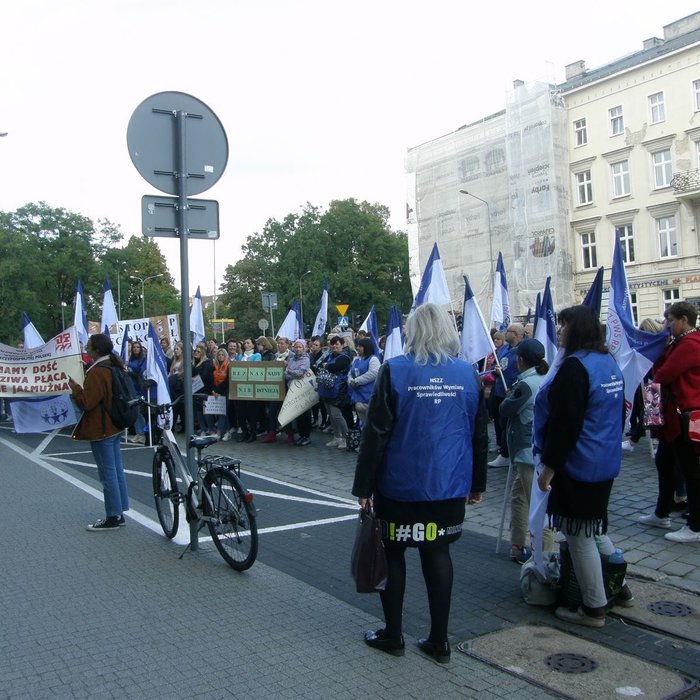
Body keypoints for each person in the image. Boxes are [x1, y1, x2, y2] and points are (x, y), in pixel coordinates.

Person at [352, 303, 488, 663]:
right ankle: (439, 641)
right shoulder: (468, 374)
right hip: (448, 484)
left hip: (400, 484)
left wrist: (363, 488)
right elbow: (478, 436)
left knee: (393, 552)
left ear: (413, 331)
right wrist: (477, 484)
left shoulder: (395, 371)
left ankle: (393, 633)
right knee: (437, 551)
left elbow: (375, 435)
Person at [535, 305, 630, 628]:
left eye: (564, 327)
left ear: (578, 331)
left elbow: (565, 424)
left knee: (579, 535)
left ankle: (593, 607)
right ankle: (620, 584)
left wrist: (549, 466)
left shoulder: (575, 368)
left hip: (580, 463)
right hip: (605, 459)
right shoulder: (608, 363)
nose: (559, 332)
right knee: (594, 526)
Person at [638, 301, 700, 543]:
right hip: (672, 420)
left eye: (670, 320)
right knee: (664, 463)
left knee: (690, 471)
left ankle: (695, 525)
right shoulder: (679, 342)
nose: (667, 325)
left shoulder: (690, 344)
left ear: (684, 320)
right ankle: (662, 512)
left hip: (685, 418)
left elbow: (662, 375)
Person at [499, 338, 553, 564]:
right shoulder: (545, 377)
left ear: (521, 360)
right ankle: (517, 544)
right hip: (534, 447)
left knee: (537, 504)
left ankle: (545, 555)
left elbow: (505, 409)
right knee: (519, 496)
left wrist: (509, 393)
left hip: (526, 448)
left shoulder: (525, 384)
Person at [68, 333, 129, 532]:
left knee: (107, 473)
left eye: (89, 344)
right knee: (116, 470)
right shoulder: (113, 365)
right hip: (115, 424)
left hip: (102, 428)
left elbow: (87, 402)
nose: (86, 346)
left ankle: (113, 516)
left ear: (96, 349)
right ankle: (119, 511)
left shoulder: (97, 372)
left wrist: (76, 389)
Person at [488, 323, 523, 467]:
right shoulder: (504, 350)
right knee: (499, 421)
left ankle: (506, 453)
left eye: (508, 331)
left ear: (515, 334)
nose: (505, 333)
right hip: (499, 391)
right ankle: (501, 447)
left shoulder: (520, 351)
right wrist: (496, 370)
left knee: (507, 423)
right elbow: (499, 366)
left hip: (510, 393)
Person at [317, 335, 351, 449]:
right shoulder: (330, 355)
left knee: (337, 415)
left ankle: (347, 438)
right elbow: (319, 365)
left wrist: (327, 365)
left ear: (342, 345)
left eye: (337, 344)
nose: (334, 346)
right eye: (333, 344)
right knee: (331, 415)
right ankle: (337, 437)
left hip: (338, 391)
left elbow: (334, 367)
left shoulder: (344, 357)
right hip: (326, 389)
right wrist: (327, 365)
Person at [283, 339, 312, 446]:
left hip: (302, 390)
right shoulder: (292, 359)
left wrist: (291, 371)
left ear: (304, 348)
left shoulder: (306, 359)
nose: (298, 349)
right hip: (292, 389)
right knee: (298, 415)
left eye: (300, 347)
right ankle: (301, 435)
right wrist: (291, 372)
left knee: (304, 414)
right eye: (296, 347)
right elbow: (285, 374)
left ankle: (307, 436)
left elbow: (301, 373)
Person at [347, 337, 380, 428]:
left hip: (369, 396)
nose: (357, 348)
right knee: (363, 422)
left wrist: (357, 381)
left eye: (360, 346)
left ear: (367, 347)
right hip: (358, 396)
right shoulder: (356, 359)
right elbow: (350, 373)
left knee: (371, 423)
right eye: (357, 346)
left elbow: (373, 373)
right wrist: (350, 381)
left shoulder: (373, 359)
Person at [126, 339, 148, 444]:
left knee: (139, 413)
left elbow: (140, 374)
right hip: (131, 388)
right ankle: (138, 433)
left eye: (137, 347)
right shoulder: (130, 359)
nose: (135, 349)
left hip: (139, 389)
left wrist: (130, 372)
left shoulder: (143, 360)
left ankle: (142, 433)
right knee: (134, 413)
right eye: (134, 347)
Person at [168, 341, 185, 432]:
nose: (175, 351)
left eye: (177, 349)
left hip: (180, 386)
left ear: (182, 350)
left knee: (180, 407)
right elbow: (171, 372)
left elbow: (183, 373)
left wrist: (175, 377)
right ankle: (172, 425)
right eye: (174, 349)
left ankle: (183, 426)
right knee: (174, 406)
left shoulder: (185, 360)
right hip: (173, 386)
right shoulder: (174, 360)